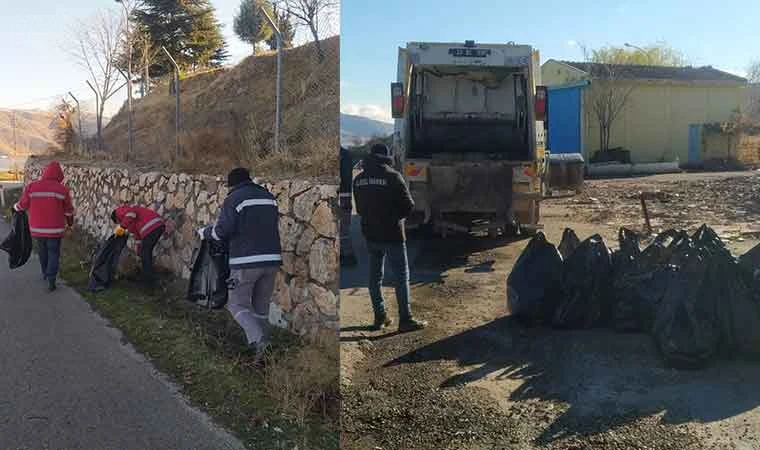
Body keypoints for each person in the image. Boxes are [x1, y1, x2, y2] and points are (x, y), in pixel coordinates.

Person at [200, 167, 282, 363]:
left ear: (232, 185)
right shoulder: (269, 197)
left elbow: (222, 232)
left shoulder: (235, 198)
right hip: (272, 260)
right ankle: (263, 352)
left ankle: (260, 341)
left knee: (235, 303)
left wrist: (205, 232)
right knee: (260, 308)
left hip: (245, 262)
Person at [353, 143, 427, 332]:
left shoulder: (359, 179)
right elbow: (408, 206)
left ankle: (380, 317)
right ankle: (406, 319)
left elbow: (360, 209)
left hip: (371, 235)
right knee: (401, 277)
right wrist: (394, 218)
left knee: (374, 278)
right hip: (393, 234)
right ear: (386, 156)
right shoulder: (393, 176)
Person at [13, 161, 75, 291]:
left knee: (42, 251)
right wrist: (70, 223)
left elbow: (22, 205)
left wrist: (15, 207)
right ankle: (51, 279)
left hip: (37, 230)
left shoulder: (32, 187)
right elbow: (69, 211)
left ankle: (45, 273)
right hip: (55, 230)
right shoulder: (62, 190)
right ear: (60, 175)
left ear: (45, 172)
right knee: (54, 253)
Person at [111, 205, 165, 284]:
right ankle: (149, 277)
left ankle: (149, 280)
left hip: (152, 226)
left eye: (118, 222)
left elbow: (131, 214)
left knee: (145, 253)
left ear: (116, 218)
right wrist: (138, 252)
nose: (119, 223)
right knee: (145, 253)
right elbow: (138, 237)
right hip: (158, 226)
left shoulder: (119, 211)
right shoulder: (131, 223)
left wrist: (121, 227)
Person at [339, 146, 357, 266]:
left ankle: (347, 256)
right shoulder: (346, 154)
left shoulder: (342, 155)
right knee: (344, 228)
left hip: (341, 194)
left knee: (343, 229)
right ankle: (347, 255)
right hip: (346, 194)